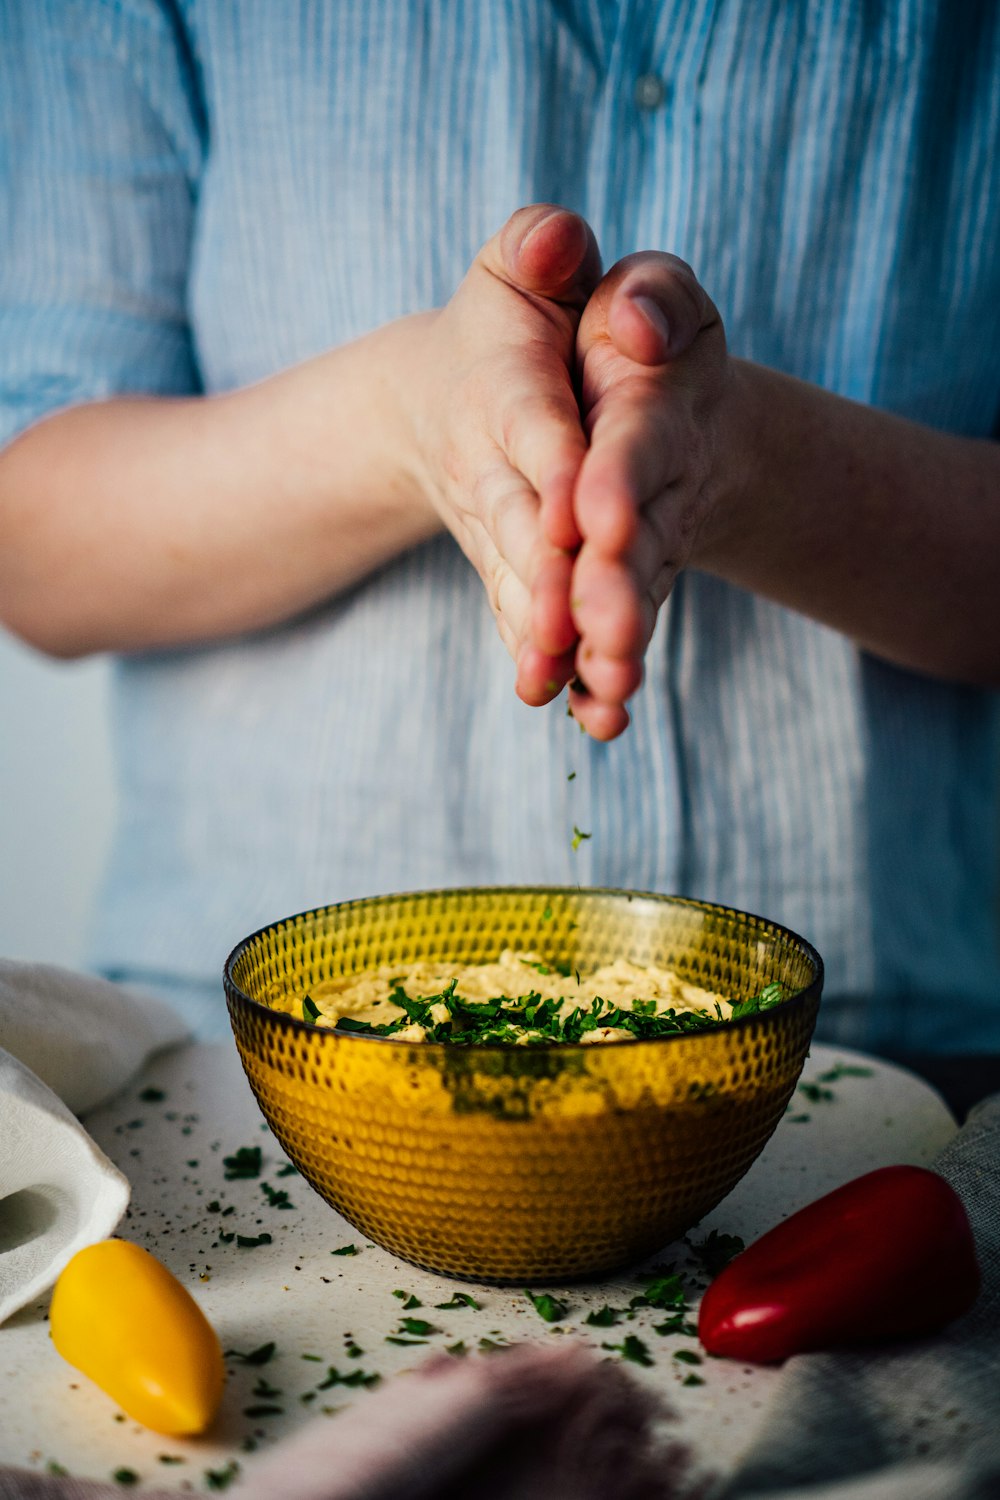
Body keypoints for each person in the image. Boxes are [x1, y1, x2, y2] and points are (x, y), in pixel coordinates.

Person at [1, 2, 998, 1063]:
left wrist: (742, 459)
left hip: (878, 1059)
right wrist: (405, 417)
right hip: (247, 1055)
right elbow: (30, 552)